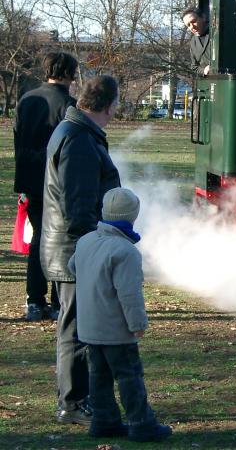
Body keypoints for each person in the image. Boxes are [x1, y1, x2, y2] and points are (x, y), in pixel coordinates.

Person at [40, 75, 122, 425]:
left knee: (75, 325)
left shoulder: (75, 131)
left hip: (70, 248)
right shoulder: (78, 140)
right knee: (75, 329)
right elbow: (79, 207)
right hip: (74, 251)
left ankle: (77, 397)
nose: (118, 110)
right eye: (116, 103)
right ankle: (72, 402)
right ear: (107, 104)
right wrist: (95, 251)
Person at [68, 187, 172, 442]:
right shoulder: (125, 251)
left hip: (90, 327)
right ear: (132, 217)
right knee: (129, 377)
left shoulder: (86, 241)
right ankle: (142, 423)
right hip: (116, 330)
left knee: (98, 376)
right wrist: (138, 324)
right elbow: (129, 294)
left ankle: (104, 421)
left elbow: (72, 268)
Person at [13, 52, 78, 321]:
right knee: (60, 240)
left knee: (39, 237)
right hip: (57, 181)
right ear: (67, 74)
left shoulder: (27, 100)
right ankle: (57, 299)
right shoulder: (69, 104)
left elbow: (18, 140)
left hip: (30, 178)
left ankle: (34, 300)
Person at [182, 7, 211, 77]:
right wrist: (203, 71)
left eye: (193, 21)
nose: (192, 27)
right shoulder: (193, 42)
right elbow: (194, 67)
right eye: (188, 25)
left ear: (203, 17)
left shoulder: (217, 34)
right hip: (206, 85)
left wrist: (214, 67)